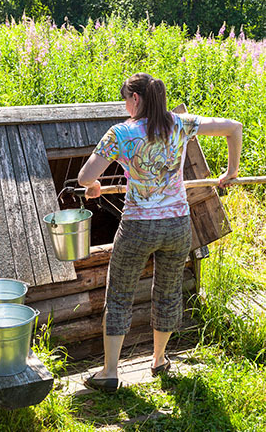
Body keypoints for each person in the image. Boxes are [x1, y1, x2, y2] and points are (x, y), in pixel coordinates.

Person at [77, 72, 242, 392]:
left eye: (125, 98)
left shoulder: (121, 133)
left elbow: (85, 176)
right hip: (177, 224)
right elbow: (233, 128)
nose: (124, 104)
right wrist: (230, 172)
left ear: (135, 99)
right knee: (168, 290)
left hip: (138, 226)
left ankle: (110, 372)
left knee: (120, 294)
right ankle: (159, 360)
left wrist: (94, 186)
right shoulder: (179, 124)